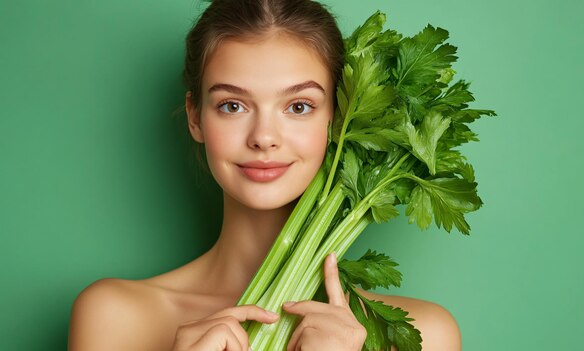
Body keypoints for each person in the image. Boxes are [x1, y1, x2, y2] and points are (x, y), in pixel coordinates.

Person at [68, 0, 461, 350]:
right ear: (194, 117)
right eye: (233, 105)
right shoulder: (114, 319)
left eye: (299, 106)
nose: (264, 138)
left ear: (339, 120)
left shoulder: (425, 336)